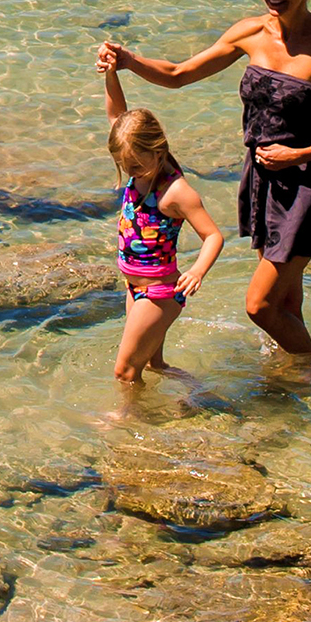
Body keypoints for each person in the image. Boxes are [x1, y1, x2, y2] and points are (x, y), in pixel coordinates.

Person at [97, 0, 311, 359]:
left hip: (307, 186)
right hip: (262, 180)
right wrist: (129, 62)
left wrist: (297, 154)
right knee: (285, 299)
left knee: (259, 306)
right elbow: (179, 74)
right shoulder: (250, 32)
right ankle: (293, 375)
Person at [101, 63, 225, 384]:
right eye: (124, 165)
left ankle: (126, 422)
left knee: (124, 371)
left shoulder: (175, 193)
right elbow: (117, 116)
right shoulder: (137, 156)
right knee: (153, 366)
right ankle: (195, 390)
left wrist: (197, 271)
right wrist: (111, 73)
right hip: (135, 287)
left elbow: (212, 236)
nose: (131, 172)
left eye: (136, 167)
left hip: (160, 291)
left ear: (158, 152)